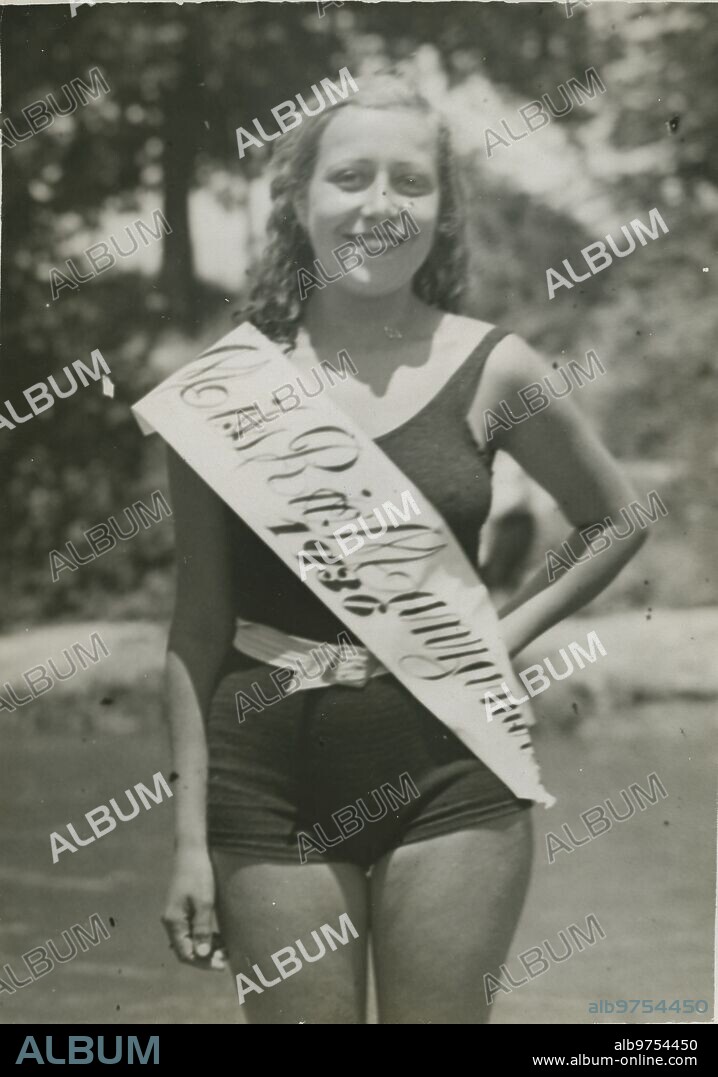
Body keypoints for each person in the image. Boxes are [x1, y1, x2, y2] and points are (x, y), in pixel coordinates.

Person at [160, 77, 646, 1024]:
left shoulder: (492, 363)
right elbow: (199, 622)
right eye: (351, 177)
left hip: (454, 765)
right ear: (299, 205)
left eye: (410, 182)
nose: (381, 204)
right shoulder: (222, 391)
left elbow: (619, 516)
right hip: (267, 773)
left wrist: (500, 640)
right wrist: (187, 838)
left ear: (442, 209)